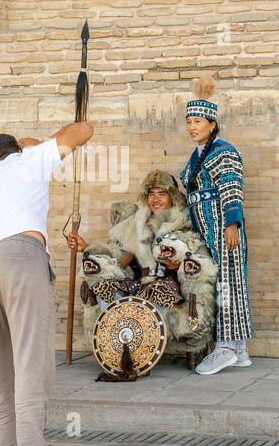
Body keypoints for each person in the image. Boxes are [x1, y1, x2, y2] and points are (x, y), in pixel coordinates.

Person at [0, 121, 93, 446]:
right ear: (16, 153)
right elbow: (83, 130)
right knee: (31, 365)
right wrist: (37, 146)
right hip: (21, 257)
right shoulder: (28, 162)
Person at [66, 170, 218, 367]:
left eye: (162, 193)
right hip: (138, 284)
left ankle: (145, 347)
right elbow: (119, 259)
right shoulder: (135, 225)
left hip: (170, 285)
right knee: (104, 286)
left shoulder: (184, 223)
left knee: (159, 291)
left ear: (172, 197)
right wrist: (86, 249)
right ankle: (115, 341)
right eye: (151, 193)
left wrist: (179, 264)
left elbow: (199, 259)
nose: (156, 199)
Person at [180, 74, 253, 375]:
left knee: (229, 283)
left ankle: (225, 345)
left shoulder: (224, 151)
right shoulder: (195, 157)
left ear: (212, 124)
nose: (192, 127)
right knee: (219, 281)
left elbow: (232, 187)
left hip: (224, 228)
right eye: (189, 121)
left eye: (198, 121)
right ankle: (239, 350)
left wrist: (232, 224)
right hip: (205, 230)